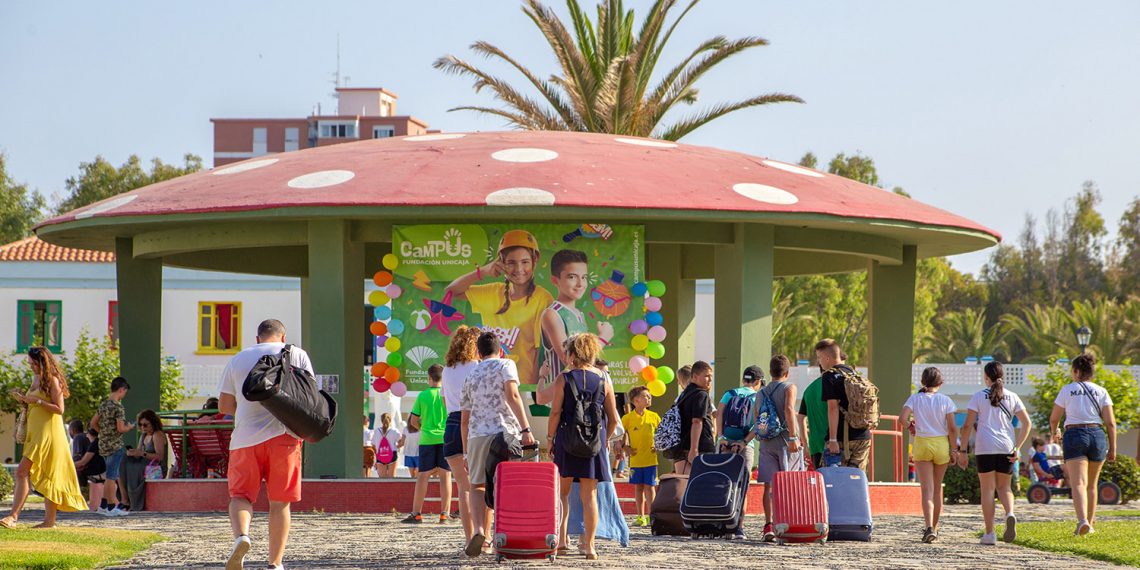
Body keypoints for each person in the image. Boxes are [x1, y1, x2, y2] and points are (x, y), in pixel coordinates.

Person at [217, 319, 314, 570]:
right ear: (283, 337)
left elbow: (224, 406)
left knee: (240, 496)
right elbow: (310, 397)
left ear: (257, 338)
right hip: (285, 437)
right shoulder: (297, 354)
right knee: (280, 502)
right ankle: (275, 563)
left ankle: (242, 537)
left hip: (244, 439)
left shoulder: (238, 359)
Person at [447, 229, 554, 394]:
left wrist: (531, 389)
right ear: (501, 262)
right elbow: (452, 291)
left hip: (520, 384)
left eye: (525, 261)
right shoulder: (492, 292)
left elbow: (538, 351)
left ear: (535, 260)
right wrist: (481, 272)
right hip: (489, 383)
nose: (519, 268)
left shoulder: (542, 298)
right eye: (511, 262)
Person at [460, 331, 536, 557]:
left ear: (478, 352)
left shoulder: (470, 374)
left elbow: (464, 419)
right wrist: (526, 429)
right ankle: (504, 534)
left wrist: (466, 452)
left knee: (476, 485)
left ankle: (479, 530)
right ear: (500, 349)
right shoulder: (506, 365)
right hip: (504, 433)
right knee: (506, 486)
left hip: (476, 436)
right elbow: (512, 395)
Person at [549, 333, 620, 560]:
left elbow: (556, 412)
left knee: (562, 494)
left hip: (567, 440)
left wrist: (550, 438)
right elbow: (614, 419)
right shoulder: (603, 379)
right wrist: (604, 438)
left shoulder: (564, 378)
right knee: (590, 496)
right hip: (594, 442)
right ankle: (589, 546)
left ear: (572, 354)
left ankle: (561, 541)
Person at [1, 346, 87, 528]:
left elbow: (59, 409)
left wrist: (37, 401)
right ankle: (49, 522)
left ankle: (13, 517)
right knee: (48, 474)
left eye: (32, 363)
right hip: (35, 434)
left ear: (41, 362)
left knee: (22, 471)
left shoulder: (53, 381)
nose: (30, 366)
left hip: (48, 434)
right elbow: (34, 403)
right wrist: (24, 400)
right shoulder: (36, 379)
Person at [959, 361, 1032, 545]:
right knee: (1004, 487)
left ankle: (990, 533)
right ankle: (1010, 513)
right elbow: (1027, 423)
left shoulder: (978, 396)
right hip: (1006, 446)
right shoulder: (1012, 396)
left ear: (986, 378)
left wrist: (962, 450)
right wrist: (1018, 447)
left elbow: (967, 425)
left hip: (985, 447)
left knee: (988, 489)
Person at [537, 249, 614, 411]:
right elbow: (571, 359)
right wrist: (603, 338)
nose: (580, 284)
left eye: (584, 277)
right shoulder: (552, 314)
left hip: (579, 397)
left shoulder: (579, 314)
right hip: (558, 402)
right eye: (572, 277)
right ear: (555, 280)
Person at [1049, 352, 1117, 536]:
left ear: (1076, 371)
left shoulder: (1067, 390)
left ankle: (1082, 522)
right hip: (1097, 434)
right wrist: (1113, 448)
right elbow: (1110, 422)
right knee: (1092, 485)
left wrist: (1054, 431)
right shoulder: (1101, 391)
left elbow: (1054, 418)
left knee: (1078, 483)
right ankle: (1091, 523)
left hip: (1074, 434)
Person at [742, 356, 801, 542]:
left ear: (770, 372)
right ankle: (785, 522)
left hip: (767, 443)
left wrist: (745, 441)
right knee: (788, 483)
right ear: (787, 372)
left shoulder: (760, 393)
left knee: (769, 485)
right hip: (785, 441)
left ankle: (768, 525)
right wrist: (793, 437)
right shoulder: (789, 387)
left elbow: (757, 419)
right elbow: (789, 409)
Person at [900, 367, 958, 543]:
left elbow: (901, 419)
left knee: (927, 490)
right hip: (941, 444)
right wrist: (954, 449)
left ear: (923, 382)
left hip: (923, 443)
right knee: (937, 489)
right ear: (940, 383)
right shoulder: (946, 400)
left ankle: (928, 528)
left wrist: (911, 426)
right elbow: (953, 428)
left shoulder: (915, 398)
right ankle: (936, 527)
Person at [441, 325, 482, 545]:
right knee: (479, 486)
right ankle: (482, 535)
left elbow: (445, 401)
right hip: (474, 425)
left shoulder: (447, 370)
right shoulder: (478, 366)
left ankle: (469, 540)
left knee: (463, 489)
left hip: (452, 426)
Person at [403, 364, 453, 524]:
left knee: (423, 475)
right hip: (446, 438)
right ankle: (445, 513)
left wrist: (423, 428)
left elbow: (413, 420)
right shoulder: (448, 394)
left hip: (427, 440)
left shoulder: (423, 396)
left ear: (429, 378)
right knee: (446, 475)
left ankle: (416, 513)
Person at [817, 340, 871, 472]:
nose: (819, 362)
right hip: (863, 437)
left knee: (831, 481)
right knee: (856, 481)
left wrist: (833, 439)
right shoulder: (855, 374)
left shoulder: (829, 376)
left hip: (842, 438)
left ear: (827, 358)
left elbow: (833, 408)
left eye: (819, 357)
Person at [90, 375, 134, 516]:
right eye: (125, 392)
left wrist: (102, 433)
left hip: (103, 445)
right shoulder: (118, 407)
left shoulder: (103, 404)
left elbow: (93, 423)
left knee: (109, 474)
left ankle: (103, 506)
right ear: (121, 389)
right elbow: (120, 428)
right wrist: (129, 427)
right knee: (111, 476)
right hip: (115, 446)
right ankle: (110, 507)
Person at [666, 361, 716, 474]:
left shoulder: (682, 395)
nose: (710, 380)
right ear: (694, 376)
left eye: (711, 376)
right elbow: (697, 421)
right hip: (699, 446)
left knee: (683, 482)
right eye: (706, 376)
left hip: (680, 446)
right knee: (700, 483)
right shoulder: (701, 394)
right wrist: (694, 449)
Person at [622, 386, 659, 528]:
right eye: (646, 396)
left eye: (649, 396)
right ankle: (640, 516)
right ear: (636, 400)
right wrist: (625, 447)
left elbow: (661, 433)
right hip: (636, 459)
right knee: (638, 487)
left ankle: (652, 515)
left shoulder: (654, 416)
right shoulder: (627, 418)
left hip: (650, 458)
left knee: (650, 487)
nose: (649, 398)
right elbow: (621, 434)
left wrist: (658, 445)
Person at [119, 409, 169, 512]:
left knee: (133, 468)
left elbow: (160, 457)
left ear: (153, 423)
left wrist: (142, 453)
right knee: (121, 460)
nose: (142, 427)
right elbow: (139, 452)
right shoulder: (143, 435)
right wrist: (133, 453)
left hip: (156, 468)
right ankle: (124, 499)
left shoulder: (157, 435)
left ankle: (131, 502)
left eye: (145, 425)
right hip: (143, 463)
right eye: (140, 425)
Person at [798, 367, 828, 468]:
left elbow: (801, 417)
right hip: (834, 444)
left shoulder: (809, 389)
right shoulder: (834, 386)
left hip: (815, 445)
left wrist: (806, 444)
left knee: (821, 481)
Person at [74, 427, 106, 511]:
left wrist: (68, 466)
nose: (86, 436)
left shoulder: (95, 443)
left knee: (74, 474)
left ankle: (78, 498)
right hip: (101, 470)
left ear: (90, 433)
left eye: (87, 433)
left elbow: (83, 462)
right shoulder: (100, 442)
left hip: (99, 471)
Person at [372, 413, 400, 478]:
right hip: (392, 454)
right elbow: (401, 441)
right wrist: (397, 446)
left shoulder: (376, 431)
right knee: (392, 479)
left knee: (382, 479)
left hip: (380, 454)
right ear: (390, 420)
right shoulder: (394, 431)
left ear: (381, 421)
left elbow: (373, 444)